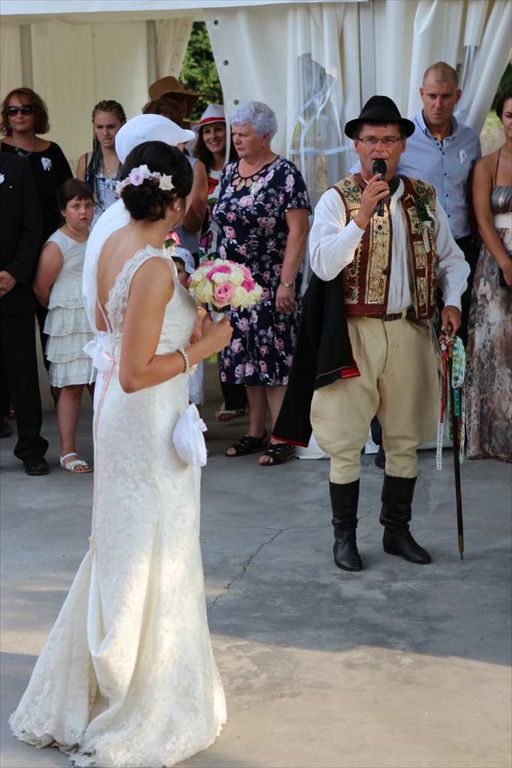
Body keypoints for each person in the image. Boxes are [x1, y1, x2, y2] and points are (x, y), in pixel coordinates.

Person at [10, 141, 232, 766]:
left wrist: (190, 317)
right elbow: (137, 372)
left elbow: (122, 338)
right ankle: (141, 692)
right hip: (144, 416)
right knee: (153, 546)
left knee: (126, 541)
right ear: (179, 200)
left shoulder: (113, 244)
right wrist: (203, 347)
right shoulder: (155, 266)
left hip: (125, 414)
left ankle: (104, 672)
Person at [300, 95, 469, 571]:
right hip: (353, 333)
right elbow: (322, 264)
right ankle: (345, 538)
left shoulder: (424, 198)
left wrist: (452, 301)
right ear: (356, 145)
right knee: (344, 438)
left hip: (409, 328)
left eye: (389, 140)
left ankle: (397, 531)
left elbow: (452, 260)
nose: (380, 148)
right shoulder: (337, 199)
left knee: (404, 437)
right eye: (371, 139)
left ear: (402, 146)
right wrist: (359, 219)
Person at [214, 101, 311, 465]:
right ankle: (255, 432)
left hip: (270, 280)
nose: (236, 139)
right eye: (235, 133)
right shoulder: (229, 171)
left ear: (265, 136)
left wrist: (287, 283)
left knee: (274, 359)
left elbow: (299, 230)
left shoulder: (284, 174)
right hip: (235, 283)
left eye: (244, 134)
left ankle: (282, 435)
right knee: (245, 360)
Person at [81, 113, 196, 384]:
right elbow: (133, 369)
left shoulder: (123, 224)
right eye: (178, 153)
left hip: (120, 377)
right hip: (143, 386)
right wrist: (207, 344)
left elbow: (108, 312)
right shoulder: (135, 236)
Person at [398, 62, 481, 344]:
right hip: (418, 249)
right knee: (421, 330)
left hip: (462, 246)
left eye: (445, 96)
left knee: (459, 329)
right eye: (432, 96)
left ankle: (455, 375)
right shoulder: (402, 138)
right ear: (421, 93)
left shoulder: (469, 140)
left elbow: (472, 192)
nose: (438, 104)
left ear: (457, 96)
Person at [1, 87, 73, 368]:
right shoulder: (1, 151)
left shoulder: (52, 151)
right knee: (14, 340)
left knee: (53, 326)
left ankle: (58, 386)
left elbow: (69, 197)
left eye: (26, 109)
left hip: (50, 249)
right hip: (13, 255)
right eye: (13, 110)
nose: (19, 115)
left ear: (37, 113)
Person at [33, 179, 96, 473]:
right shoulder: (57, 245)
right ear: (63, 211)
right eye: (76, 206)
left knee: (100, 384)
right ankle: (68, 451)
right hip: (70, 323)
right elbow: (41, 288)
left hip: (95, 319)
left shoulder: (98, 236)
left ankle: (109, 445)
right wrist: (66, 311)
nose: (83, 212)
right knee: (71, 387)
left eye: (88, 205)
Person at [466, 88, 512, 462]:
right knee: (495, 344)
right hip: (496, 260)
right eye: (510, 115)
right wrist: (506, 264)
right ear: (501, 118)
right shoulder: (486, 165)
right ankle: (497, 436)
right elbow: (482, 221)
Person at [194, 103, 246, 421]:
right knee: (219, 319)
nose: (213, 136)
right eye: (207, 131)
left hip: (238, 251)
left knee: (242, 319)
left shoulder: (242, 166)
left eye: (218, 130)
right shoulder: (199, 169)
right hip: (210, 251)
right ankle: (233, 396)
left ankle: (250, 392)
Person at [0, 152, 48, 475]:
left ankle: (31, 448)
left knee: (22, 373)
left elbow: (34, 227)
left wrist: (15, 272)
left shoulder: (16, 167)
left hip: (11, 287)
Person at [76, 100, 126, 226]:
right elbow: (80, 202)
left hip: (124, 227)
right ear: (93, 128)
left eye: (111, 127)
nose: (105, 133)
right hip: (94, 229)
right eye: (99, 127)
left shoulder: (130, 159)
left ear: (123, 125)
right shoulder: (86, 161)